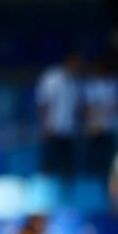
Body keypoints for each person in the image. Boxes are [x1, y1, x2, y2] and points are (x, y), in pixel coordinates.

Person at [35, 53, 81, 181]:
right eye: (75, 65)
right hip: (52, 128)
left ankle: (68, 195)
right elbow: (43, 103)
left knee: (68, 165)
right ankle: (43, 192)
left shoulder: (75, 82)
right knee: (48, 163)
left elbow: (76, 107)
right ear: (68, 63)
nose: (77, 68)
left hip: (69, 130)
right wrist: (45, 126)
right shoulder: (51, 78)